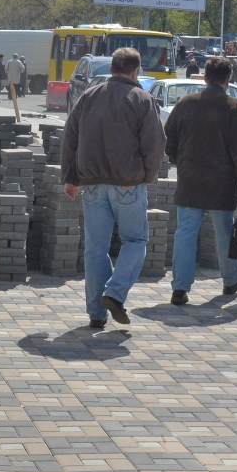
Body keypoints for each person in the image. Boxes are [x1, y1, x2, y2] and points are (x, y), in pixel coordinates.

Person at [60, 47, 166, 328]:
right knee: (135, 241)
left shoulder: (89, 96)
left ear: (112, 68)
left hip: (91, 183)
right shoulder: (142, 99)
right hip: (128, 183)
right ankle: (115, 293)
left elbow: (70, 137)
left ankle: (96, 313)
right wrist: (147, 176)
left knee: (96, 249)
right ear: (135, 71)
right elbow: (155, 145)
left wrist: (69, 177)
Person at [164, 56, 237, 306]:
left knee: (185, 233)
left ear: (204, 77)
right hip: (222, 183)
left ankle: (180, 288)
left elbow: (168, 138)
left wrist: (179, 160)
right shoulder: (235, 108)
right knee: (225, 232)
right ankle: (230, 280)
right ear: (228, 79)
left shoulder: (185, 104)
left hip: (190, 180)